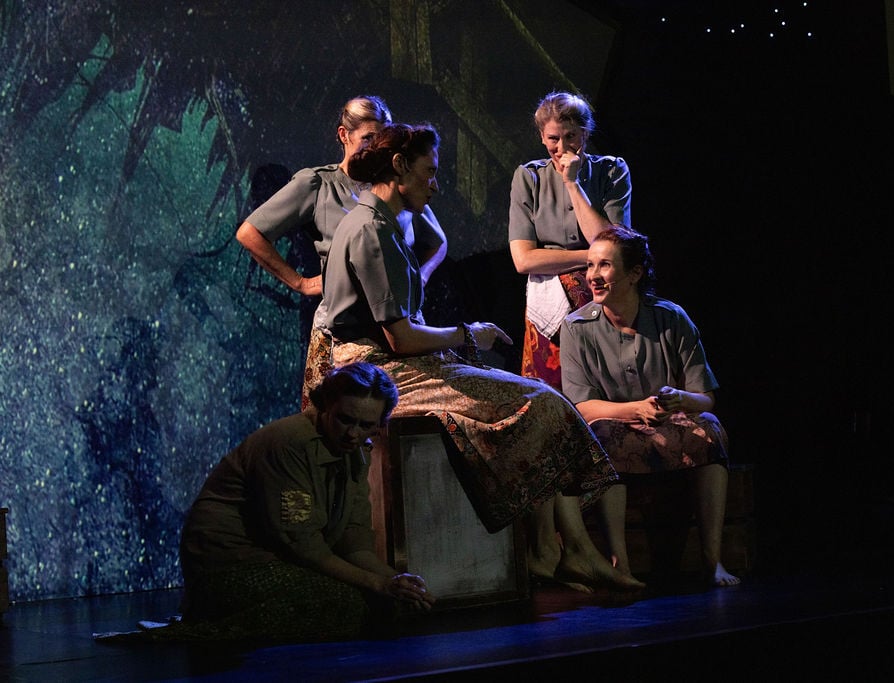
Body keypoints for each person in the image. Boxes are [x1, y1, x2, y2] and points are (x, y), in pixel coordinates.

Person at [321, 122, 643, 592]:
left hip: (395, 361)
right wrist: (468, 335)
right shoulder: (371, 229)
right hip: (376, 370)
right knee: (539, 402)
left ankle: (563, 549)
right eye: (429, 173)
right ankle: (560, 550)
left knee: (540, 400)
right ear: (399, 168)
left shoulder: (386, 222)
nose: (435, 184)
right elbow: (400, 339)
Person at [169, 363, 435, 642]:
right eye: (344, 419)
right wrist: (379, 584)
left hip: (283, 561)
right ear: (325, 407)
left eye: (366, 425)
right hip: (228, 568)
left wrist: (399, 582)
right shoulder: (290, 444)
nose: (352, 434)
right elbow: (303, 547)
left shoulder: (356, 453)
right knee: (349, 603)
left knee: (388, 604)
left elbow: (354, 543)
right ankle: (210, 623)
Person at [236, 96, 448, 409]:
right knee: (342, 427)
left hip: (396, 327)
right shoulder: (320, 185)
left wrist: (417, 277)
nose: (377, 146)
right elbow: (250, 233)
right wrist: (301, 283)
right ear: (343, 135)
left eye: (383, 138)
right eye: (368, 138)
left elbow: (437, 242)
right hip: (348, 332)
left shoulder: (394, 184)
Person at [559, 226, 740, 587]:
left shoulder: (671, 319)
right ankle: (619, 565)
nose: (592, 275)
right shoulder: (577, 327)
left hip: (668, 422)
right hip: (615, 424)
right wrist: (634, 410)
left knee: (710, 429)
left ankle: (712, 560)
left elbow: (706, 397)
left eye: (605, 266)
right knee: (603, 437)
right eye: (591, 265)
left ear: (635, 273)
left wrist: (681, 399)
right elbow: (582, 407)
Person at [508, 91, 631, 390]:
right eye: (553, 138)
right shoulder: (529, 177)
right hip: (549, 300)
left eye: (570, 136)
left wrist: (572, 184)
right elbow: (523, 260)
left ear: (585, 133)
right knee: (550, 397)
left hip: (603, 297)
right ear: (541, 137)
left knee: (602, 392)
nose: (561, 147)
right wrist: (590, 257)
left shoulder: (612, 171)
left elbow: (612, 246)